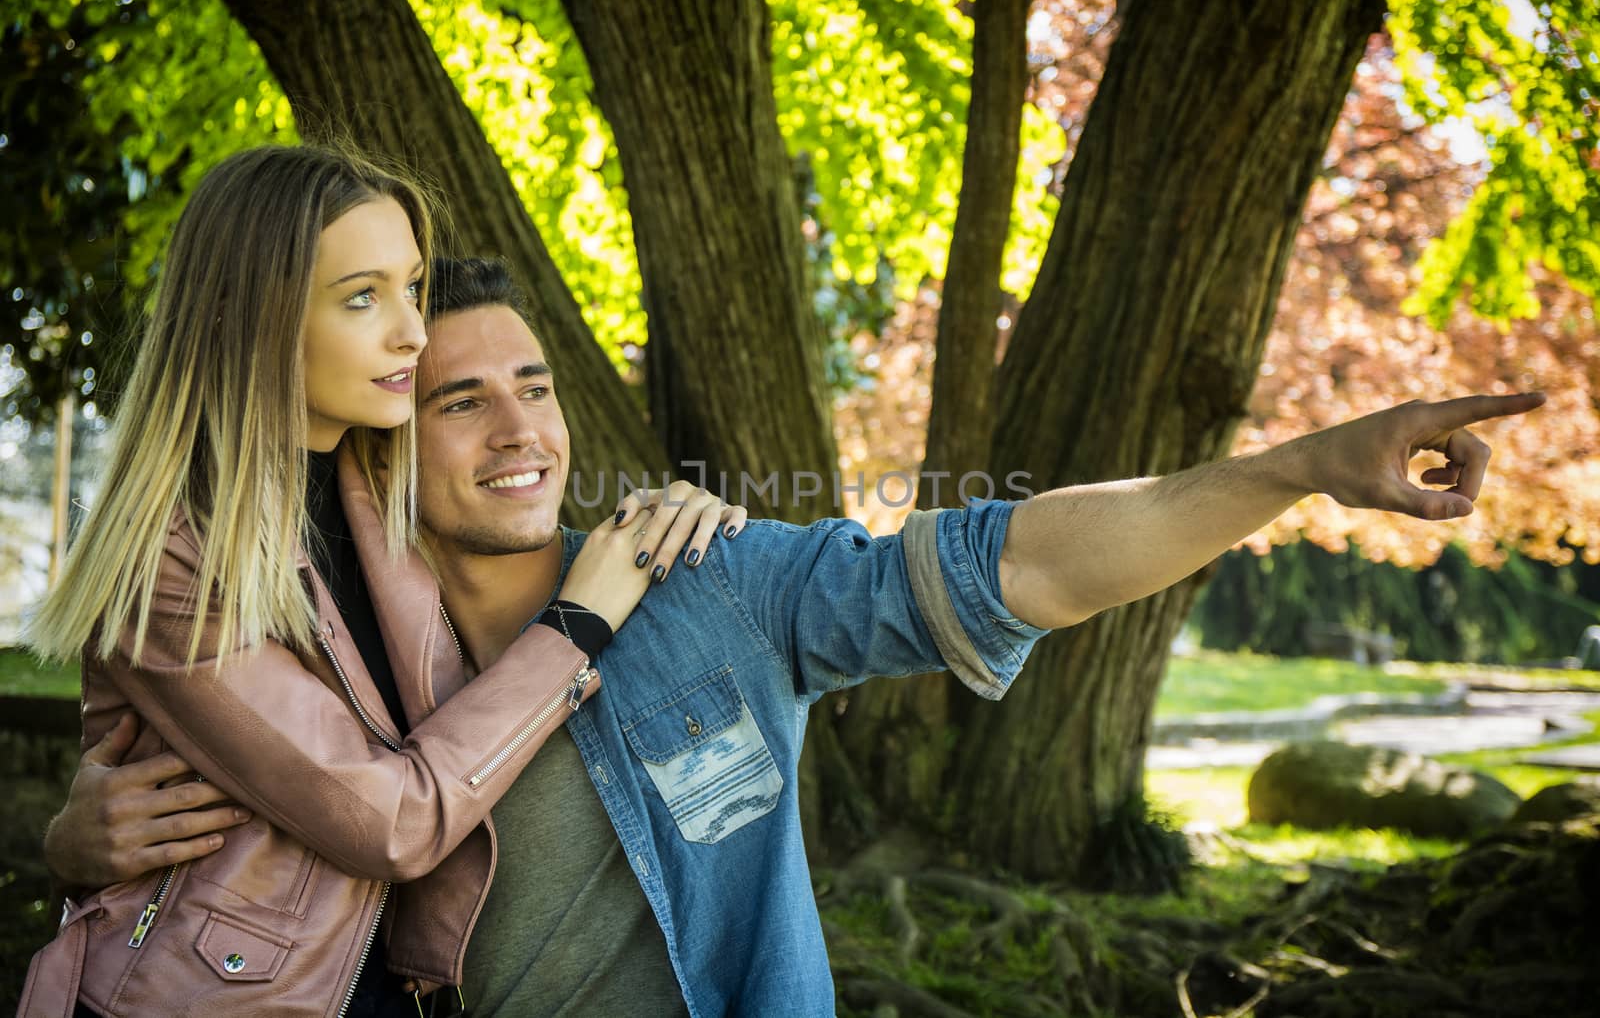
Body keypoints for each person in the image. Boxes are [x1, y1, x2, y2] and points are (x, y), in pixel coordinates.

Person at [43, 256, 1545, 1017]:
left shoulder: (709, 581)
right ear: (381, 441)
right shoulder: (338, 666)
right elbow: (222, 846)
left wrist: (1289, 468)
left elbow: (1008, 560)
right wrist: (83, 834)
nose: (524, 430)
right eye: (460, 399)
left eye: (539, 384)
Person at [17, 152, 743, 1018]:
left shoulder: (376, 474)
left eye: (409, 287)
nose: (412, 333)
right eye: (363, 297)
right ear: (248, 315)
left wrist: (676, 513)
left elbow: (516, 506)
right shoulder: (175, 559)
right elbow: (390, 820)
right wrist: (578, 623)